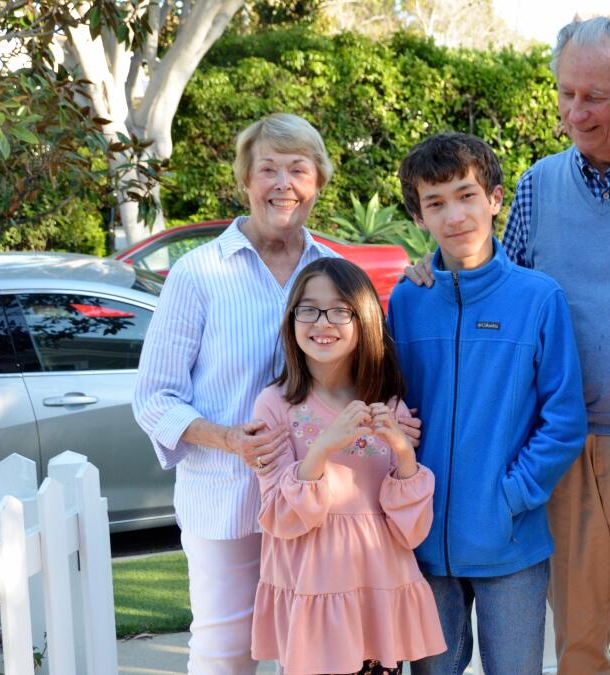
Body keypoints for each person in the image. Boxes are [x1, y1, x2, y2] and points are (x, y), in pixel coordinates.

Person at [403, 18, 610, 674]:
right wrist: (432, 266)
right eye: (566, 94)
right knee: (577, 636)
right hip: (557, 453)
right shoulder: (538, 183)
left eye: (593, 96)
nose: (575, 112)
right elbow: (496, 284)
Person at [133, 113, 417, 674]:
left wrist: (391, 422)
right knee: (224, 649)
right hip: (229, 497)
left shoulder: (336, 272)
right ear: (246, 181)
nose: (282, 183)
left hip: (323, 501)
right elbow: (154, 399)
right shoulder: (199, 274)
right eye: (268, 169)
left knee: (320, 648)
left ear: (318, 184)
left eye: (298, 169)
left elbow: (371, 368)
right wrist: (227, 438)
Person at [389, 132, 587, 674]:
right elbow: (390, 407)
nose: (455, 215)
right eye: (436, 202)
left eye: (466, 194)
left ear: (494, 199)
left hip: (511, 545)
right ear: (420, 216)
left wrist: (512, 496)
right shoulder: (408, 300)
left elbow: (564, 419)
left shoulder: (538, 298)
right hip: (425, 549)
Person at [248, 257, 445, 675]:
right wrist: (321, 448)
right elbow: (280, 517)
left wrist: (404, 453)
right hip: (313, 600)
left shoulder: (388, 408)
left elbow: (410, 529)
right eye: (309, 308)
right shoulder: (275, 406)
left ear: (365, 320)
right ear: (292, 319)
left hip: (373, 603)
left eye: (340, 310)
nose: (323, 322)